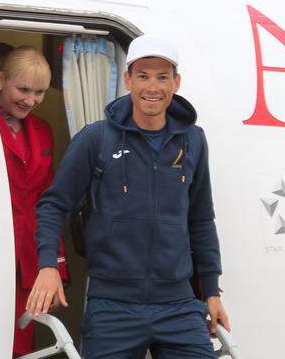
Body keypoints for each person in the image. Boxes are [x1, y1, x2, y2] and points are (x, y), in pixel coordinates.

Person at [27, 35, 230, 358]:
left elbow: (201, 219)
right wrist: (48, 264)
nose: (153, 86)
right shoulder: (96, 138)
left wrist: (211, 290)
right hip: (113, 306)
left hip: (178, 304)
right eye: (143, 75)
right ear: (127, 80)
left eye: (163, 77)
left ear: (176, 82)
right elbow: (55, 205)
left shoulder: (193, 141)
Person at [0, 45, 70, 358]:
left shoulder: (43, 131)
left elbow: (49, 203)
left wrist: (55, 267)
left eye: (40, 92)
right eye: (23, 89)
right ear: (0, 80)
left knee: (20, 347)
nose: (31, 101)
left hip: (29, 262)